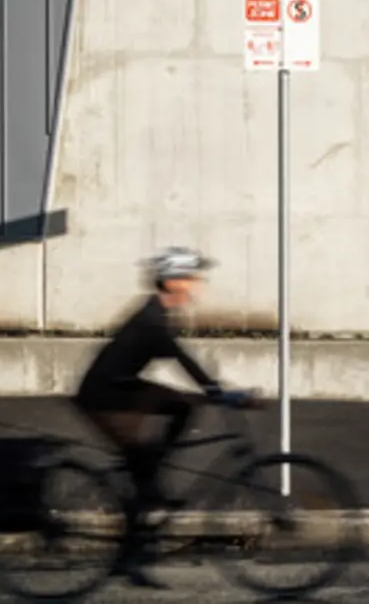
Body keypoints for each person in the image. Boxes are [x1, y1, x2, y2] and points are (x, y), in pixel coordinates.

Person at [75, 248, 246, 585]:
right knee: (144, 479)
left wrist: (212, 392)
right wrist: (217, 392)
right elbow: (182, 358)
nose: (195, 285)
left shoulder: (158, 313)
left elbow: (181, 360)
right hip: (103, 399)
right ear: (171, 282)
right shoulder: (153, 321)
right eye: (189, 278)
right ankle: (130, 557)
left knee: (182, 407)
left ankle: (152, 470)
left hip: (123, 389)